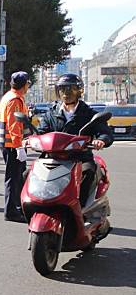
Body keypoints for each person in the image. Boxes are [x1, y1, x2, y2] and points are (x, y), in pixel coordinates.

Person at [37, 74, 113, 206]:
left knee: (88, 171)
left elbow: (105, 134)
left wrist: (101, 140)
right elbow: (41, 132)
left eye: (71, 88)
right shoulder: (51, 113)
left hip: (80, 158)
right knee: (28, 173)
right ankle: (32, 206)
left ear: (79, 91)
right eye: (62, 89)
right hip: (53, 158)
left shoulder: (89, 114)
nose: (66, 93)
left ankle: (80, 206)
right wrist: (31, 139)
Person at [0, 71, 32, 223]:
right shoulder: (15, 100)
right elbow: (14, 124)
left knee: (17, 176)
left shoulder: (9, 96)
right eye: (28, 83)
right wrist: (19, 147)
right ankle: (11, 211)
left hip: (10, 144)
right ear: (24, 85)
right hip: (12, 145)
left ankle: (16, 207)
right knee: (13, 177)